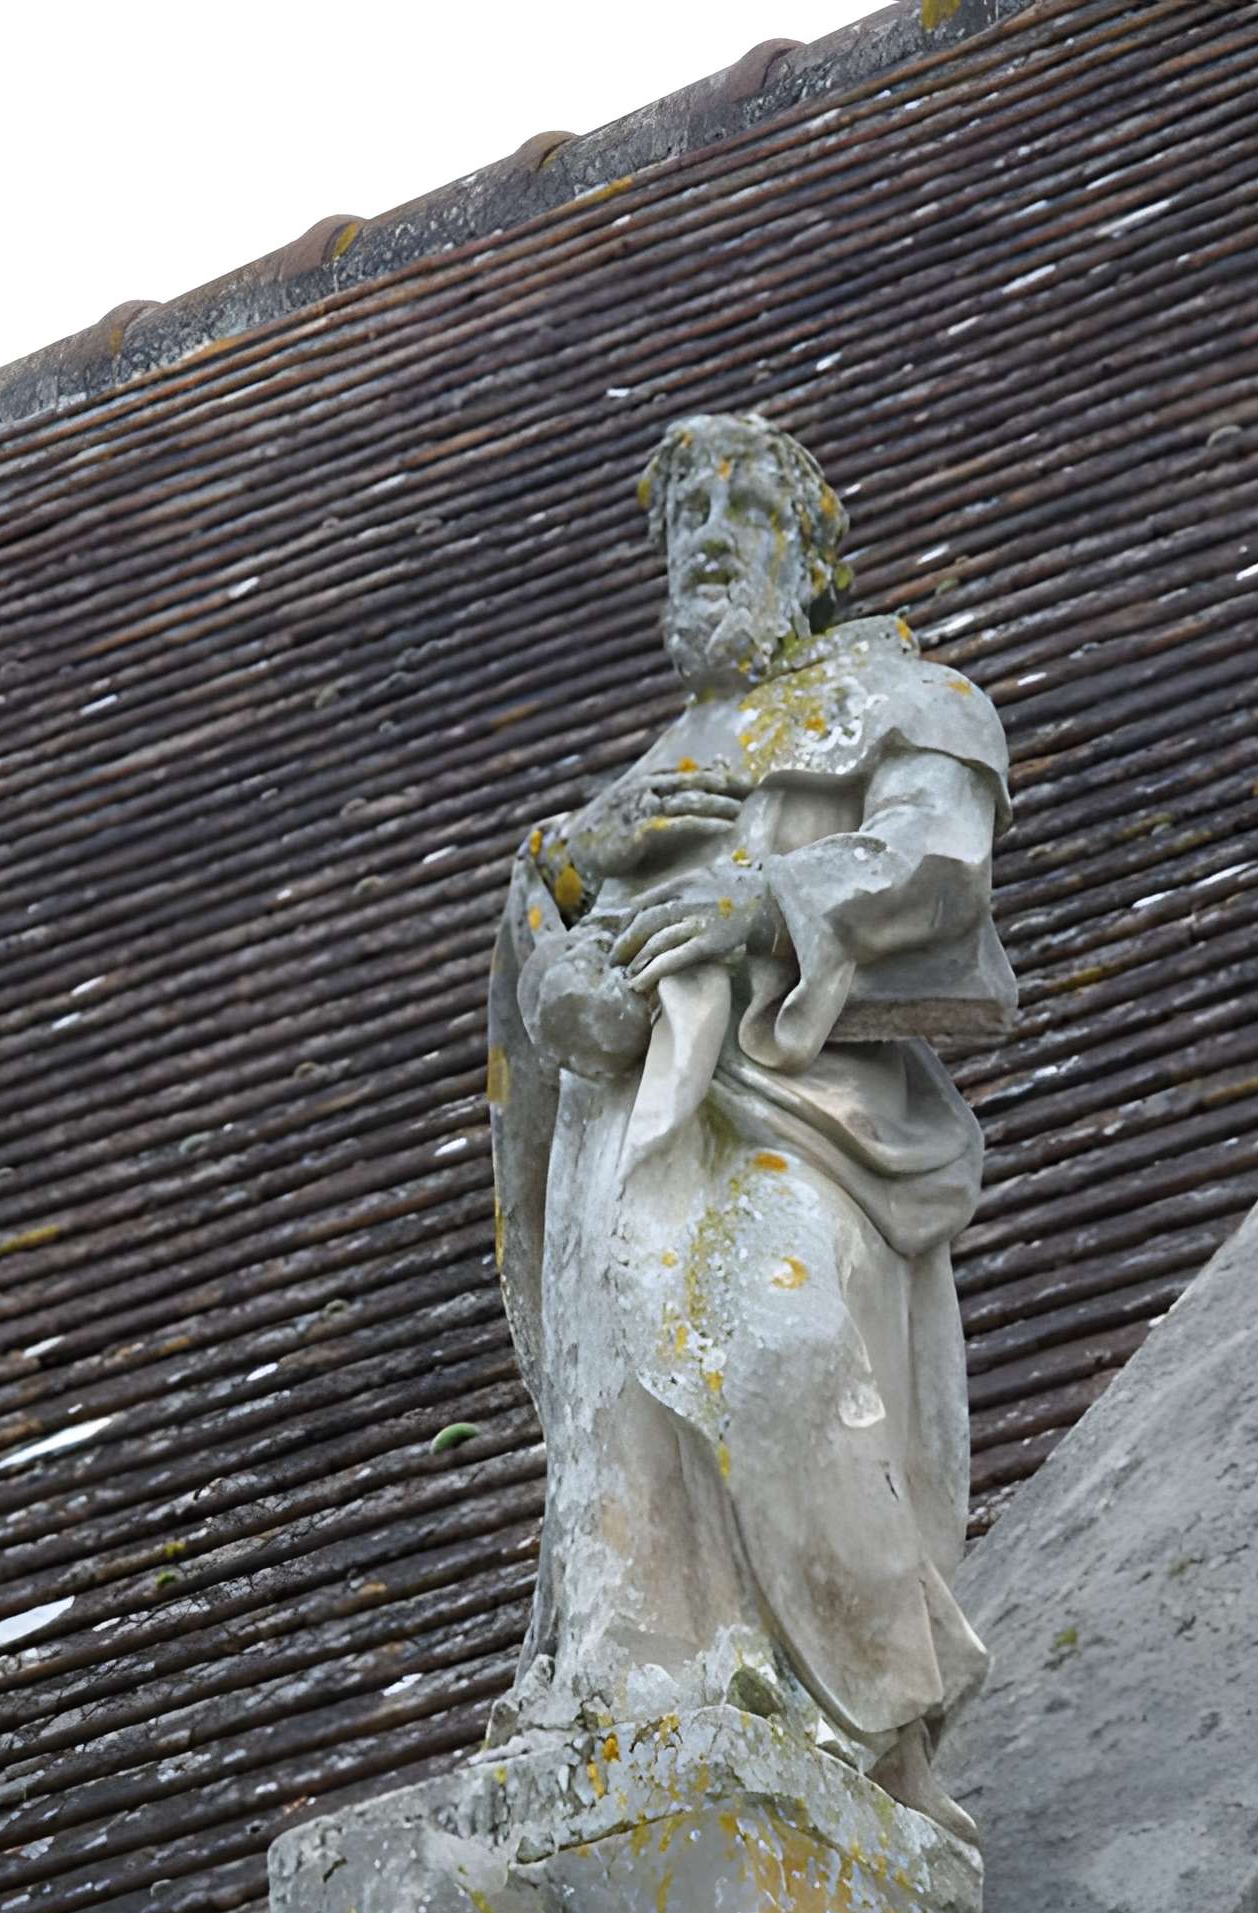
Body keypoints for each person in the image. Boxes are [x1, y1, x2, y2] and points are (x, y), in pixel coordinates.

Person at [485, 412, 1013, 1841]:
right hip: (627, 1131)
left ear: (809, 554)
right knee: (633, 1408)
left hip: (804, 1118)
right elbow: (537, 960)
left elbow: (938, 862)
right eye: (686, 520)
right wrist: (554, 932)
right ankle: (665, 1687)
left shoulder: (898, 696)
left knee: (775, 1344)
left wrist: (765, 902)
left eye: (744, 511)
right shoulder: (632, 788)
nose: (711, 537)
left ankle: (862, 1710)